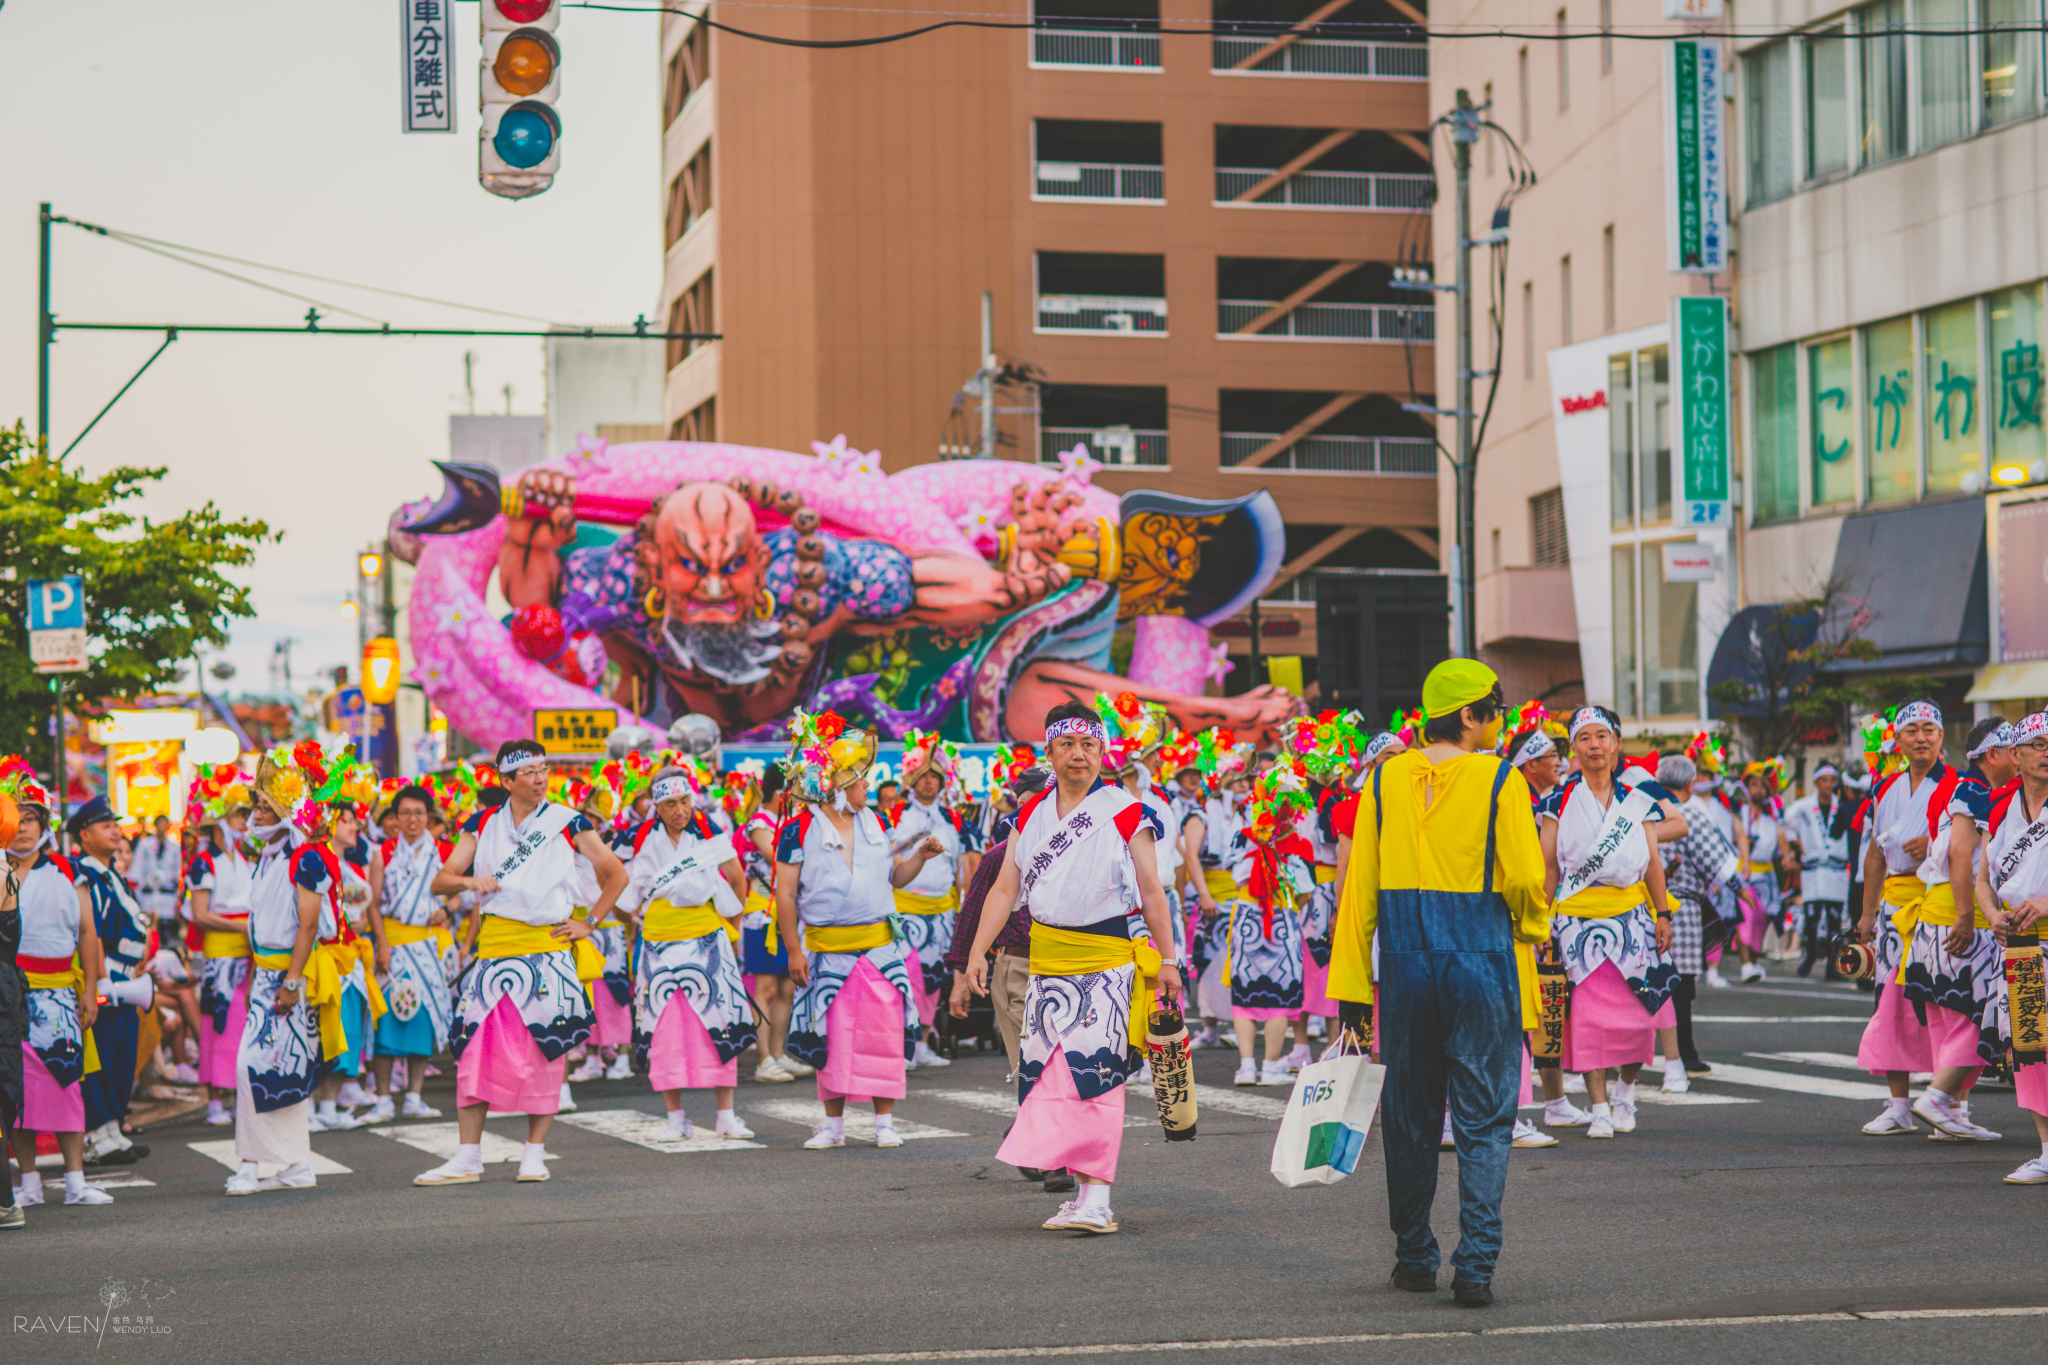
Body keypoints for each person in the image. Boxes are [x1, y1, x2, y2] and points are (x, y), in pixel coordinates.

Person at [1328, 661, 1549, 1307]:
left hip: (1402, 957)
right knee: (1483, 1116)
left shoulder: (1387, 777)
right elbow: (1527, 882)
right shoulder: (1502, 779)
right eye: (1497, 706)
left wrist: (1350, 985)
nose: (1501, 718)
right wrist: (1531, 926)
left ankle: (1415, 1254)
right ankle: (1475, 1265)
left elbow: (1358, 887)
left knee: (1410, 1113)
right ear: (1472, 715)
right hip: (1481, 954)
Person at [965, 699, 1182, 1235]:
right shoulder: (1029, 813)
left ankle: (1098, 1197)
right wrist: (977, 950)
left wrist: (1171, 958)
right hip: (1047, 963)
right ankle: (1080, 1188)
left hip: (1105, 960)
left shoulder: (1126, 808)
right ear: (1051, 750)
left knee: (1098, 1077)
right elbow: (1005, 887)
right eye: (1067, 745)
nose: (1078, 755)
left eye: (1088, 744)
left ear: (1102, 750)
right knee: (1050, 1079)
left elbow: (1152, 890)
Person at [415, 740, 629, 1186]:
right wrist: (472, 879)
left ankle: (534, 1152)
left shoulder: (567, 821)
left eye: (543, 768)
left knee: (545, 1051)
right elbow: (441, 881)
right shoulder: (482, 823)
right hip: (493, 953)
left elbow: (617, 874)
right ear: (506, 780)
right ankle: (468, 1156)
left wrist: (589, 923)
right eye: (528, 771)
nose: (539, 777)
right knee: (473, 1051)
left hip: (546, 949)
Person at [773, 715, 944, 1152]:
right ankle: (833, 1124)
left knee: (883, 1037)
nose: (868, 788)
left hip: (880, 949)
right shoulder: (798, 829)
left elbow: (896, 879)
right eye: (861, 782)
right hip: (827, 951)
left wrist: (921, 856)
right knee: (832, 1037)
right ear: (838, 784)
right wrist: (794, 950)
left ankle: (885, 1121)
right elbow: (786, 896)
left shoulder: (877, 823)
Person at [1538, 708, 1679, 1140]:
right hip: (1578, 922)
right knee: (1589, 1019)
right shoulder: (1556, 802)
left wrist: (1662, 912)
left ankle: (1625, 1089)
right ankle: (1599, 1108)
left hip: (1633, 918)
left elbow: (1653, 864)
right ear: (1574, 749)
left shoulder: (1639, 802)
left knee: (1641, 1016)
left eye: (1602, 737)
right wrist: (1541, 922)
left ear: (1616, 745)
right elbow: (1548, 870)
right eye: (1585, 738)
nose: (1594, 745)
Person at [224, 748, 335, 1196]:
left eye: (266, 805)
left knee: (249, 1065)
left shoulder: (304, 857)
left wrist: (291, 981)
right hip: (267, 978)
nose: (257, 812)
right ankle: (298, 1162)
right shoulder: (270, 854)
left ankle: (250, 1166)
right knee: (279, 1066)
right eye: (256, 804)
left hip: (287, 977)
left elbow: (308, 924)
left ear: (287, 809)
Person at [624, 766, 756, 1140]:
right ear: (657, 806)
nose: (679, 809)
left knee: (720, 1022)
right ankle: (674, 1118)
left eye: (684, 801)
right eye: (670, 803)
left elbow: (736, 875)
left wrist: (735, 923)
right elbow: (623, 885)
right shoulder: (641, 840)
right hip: (658, 943)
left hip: (707, 939)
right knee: (662, 1029)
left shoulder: (710, 832)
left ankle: (726, 1115)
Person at [6, 780, 112, 1207]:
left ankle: (74, 1180)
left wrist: (89, 989)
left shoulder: (69, 870)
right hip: (9, 993)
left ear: (43, 824)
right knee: (14, 1090)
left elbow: (88, 932)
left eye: (30, 819)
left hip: (59, 992)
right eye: (16, 820)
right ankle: (28, 1182)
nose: (23, 829)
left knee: (67, 1081)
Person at [1897, 718, 2000, 1142]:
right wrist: (1963, 914)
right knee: (1983, 1016)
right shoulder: (1977, 792)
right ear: (1994, 754)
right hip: (1959, 914)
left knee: (1947, 1021)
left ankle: (1951, 1115)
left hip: (1934, 911)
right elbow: (1960, 852)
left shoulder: (1965, 788)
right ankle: (1939, 1098)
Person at [1853, 701, 1952, 1136]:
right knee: (1890, 1005)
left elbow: (1975, 841)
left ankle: (1953, 1104)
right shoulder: (1885, 789)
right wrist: (1866, 912)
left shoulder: (1959, 785)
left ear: (1942, 736)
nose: (1921, 737)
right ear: (1898, 740)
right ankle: (1898, 1104)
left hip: (1939, 900)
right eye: (1911, 730)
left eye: (1929, 728)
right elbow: (1875, 852)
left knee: (1944, 1005)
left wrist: (1934, 842)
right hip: (1895, 904)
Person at [1975, 711, 2048, 1183]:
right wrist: (1993, 914)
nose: (2047, 752)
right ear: (2016, 755)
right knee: (2032, 1046)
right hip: (2020, 945)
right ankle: (2047, 1149)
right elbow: (1981, 879)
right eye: (2038, 744)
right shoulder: (2001, 808)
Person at [1652, 754, 1747, 1085]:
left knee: (1653, 982)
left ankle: (1674, 1053)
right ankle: (1684, 1054)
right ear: (1690, 784)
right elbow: (1714, 861)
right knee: (1680, 987)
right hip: (1680, 907)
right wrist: (1745, 893)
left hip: (1644, 903)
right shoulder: (1689, 811)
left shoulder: (1645, 805)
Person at [68, 797, 151, 1167]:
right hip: (110, 980)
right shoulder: (88, 874)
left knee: (121, 1056)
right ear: (84, 835)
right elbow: (93, 934)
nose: (115, 830)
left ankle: (113, 1128)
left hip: (127, 978)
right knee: (102, 1056)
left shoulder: (110, 872)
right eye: (105, 826)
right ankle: (98, 1134)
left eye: (115, 825)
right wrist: (101, 982)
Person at [364, 785, 453, 1121]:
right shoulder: (382, 852)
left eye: (418, 813)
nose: (412, 819)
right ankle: (384, 1098)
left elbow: (458, 893)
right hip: (393, 945)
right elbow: (373, 902)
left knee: (423, 1020)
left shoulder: (444, 851)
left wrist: (449, 910)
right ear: (395, 818)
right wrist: (382, 944)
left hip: (429, 947)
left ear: (429, 817)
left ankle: (414, 1096)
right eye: (405, 813)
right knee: (386, 1022)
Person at [889, 733, 978, 1068]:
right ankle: (901, 1045)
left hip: (942, 910)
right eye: (923, 776)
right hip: (904, 909)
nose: (928, 782)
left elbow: (963, 865)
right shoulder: (894, 813)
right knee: (903, 978)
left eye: (934, 777)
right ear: (912, 778)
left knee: (932, 979)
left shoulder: (954, 818)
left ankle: (922, 1043)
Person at [187, 801, 256, 1126]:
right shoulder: (203, 862)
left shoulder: (243, 859)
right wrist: (242, 926)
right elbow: (200, 915)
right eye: (238, 815)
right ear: (218, 822)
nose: (245, 820)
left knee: (241, 1022)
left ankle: (233, 1093)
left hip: (246, 948)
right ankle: (214, 1099)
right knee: (217, 1020)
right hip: (219, 951)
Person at [739, 768, 801, 1083]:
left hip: (789, 911)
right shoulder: (759, 822)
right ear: (781, 793)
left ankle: (778, 1054)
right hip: (762, 913)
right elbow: (777, 856)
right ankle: (763, 1059)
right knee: (764, 989)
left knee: (788, 987)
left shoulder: (789, 821)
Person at [1782, 763, 1852, 979]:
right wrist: (1796, 847)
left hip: (1836, 869)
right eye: (1825, 780)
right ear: (1815, 782)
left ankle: (1833, 964)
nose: (1829, 784)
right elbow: (1786, 821)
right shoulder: (1803, 807)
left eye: (1833, 780)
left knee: (1834, 919)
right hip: (1813, 869)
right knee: (1811, 918)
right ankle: (1810, 954)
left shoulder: (1841, 805)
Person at [1733, 763, 1792, 982]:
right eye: (1753, 784)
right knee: (1745, 918)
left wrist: (1788, 856)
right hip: (1744, 872)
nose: (1758, 789)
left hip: (1766, 874)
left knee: (1761, 919)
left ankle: (1754, 964)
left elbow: (1782, 841)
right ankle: (1746, 965)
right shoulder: (1738, 811)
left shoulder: (1773, 815)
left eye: (1762, 786)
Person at [131, 815, 182, 937]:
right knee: (149, 924)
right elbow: (137, 868)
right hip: (148, 892)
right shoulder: (144, 845)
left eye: (165, 824)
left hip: (167, 892)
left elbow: (177, 870)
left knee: (166, 925)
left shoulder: (174, 847)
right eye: (160, 824)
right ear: (155, 825)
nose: (162, 827)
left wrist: (178, 886)